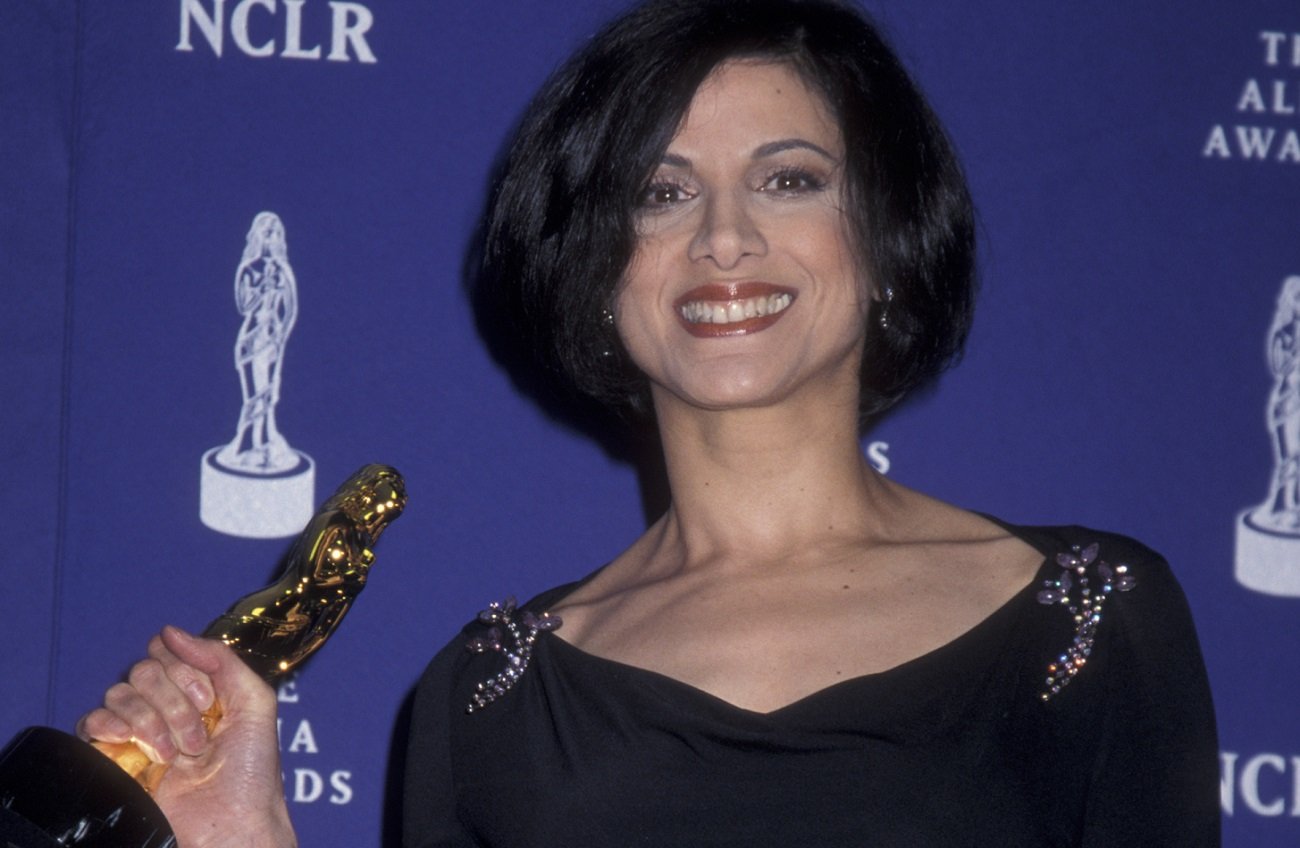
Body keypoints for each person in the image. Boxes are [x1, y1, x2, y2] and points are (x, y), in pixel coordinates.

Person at [77, 1, 1220, 846]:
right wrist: (249, 832)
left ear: (883, 238)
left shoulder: (1088, 618)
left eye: (788, 179)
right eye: (661, 193)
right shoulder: (490, 693)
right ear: (595, 266)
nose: (723, 239)